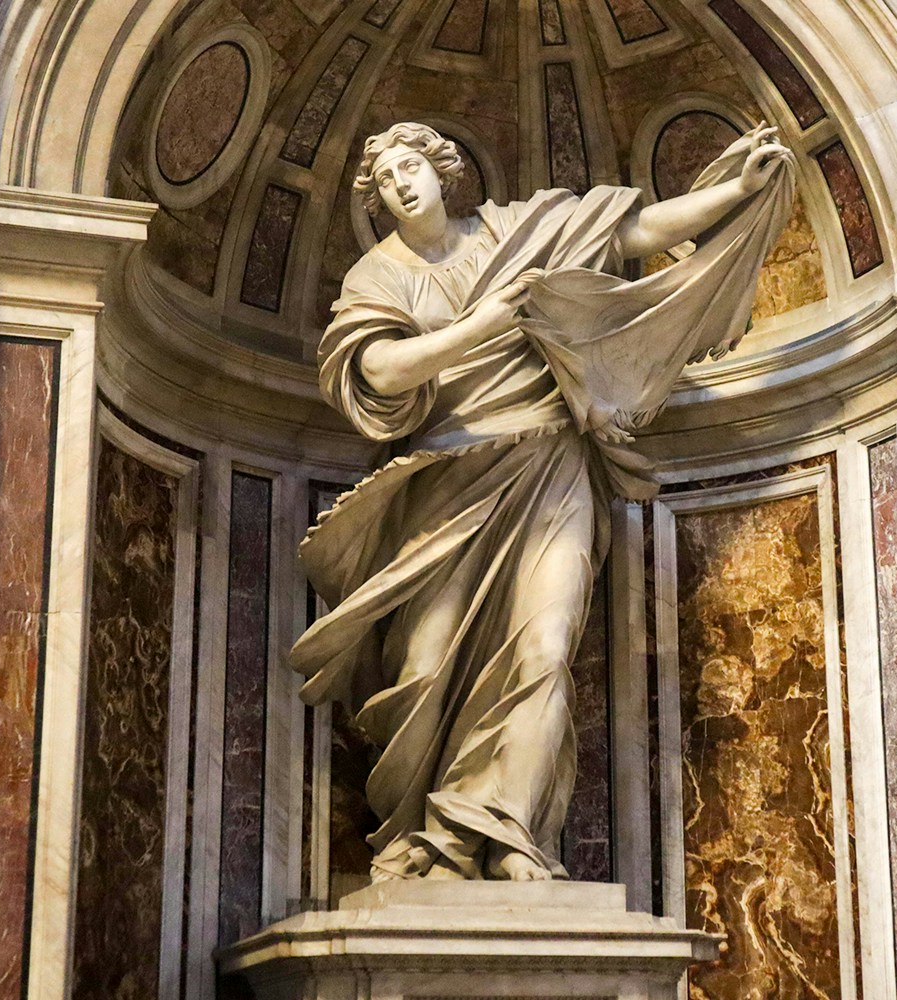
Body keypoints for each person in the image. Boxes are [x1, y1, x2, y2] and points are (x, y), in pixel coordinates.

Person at [290, 120, 793, 882]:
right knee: (425, 667)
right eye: (386, 177)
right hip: (442, 488)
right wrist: (478, 329)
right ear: (377, 200)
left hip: (551, 468)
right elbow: (379, 371)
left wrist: (735, 190)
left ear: (441, 171)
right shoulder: (377, 278)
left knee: (547, 647)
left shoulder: (520, 231)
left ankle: (511, 832)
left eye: (411, 165)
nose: (401, 182)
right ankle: (431, 837)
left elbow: (633, 231)